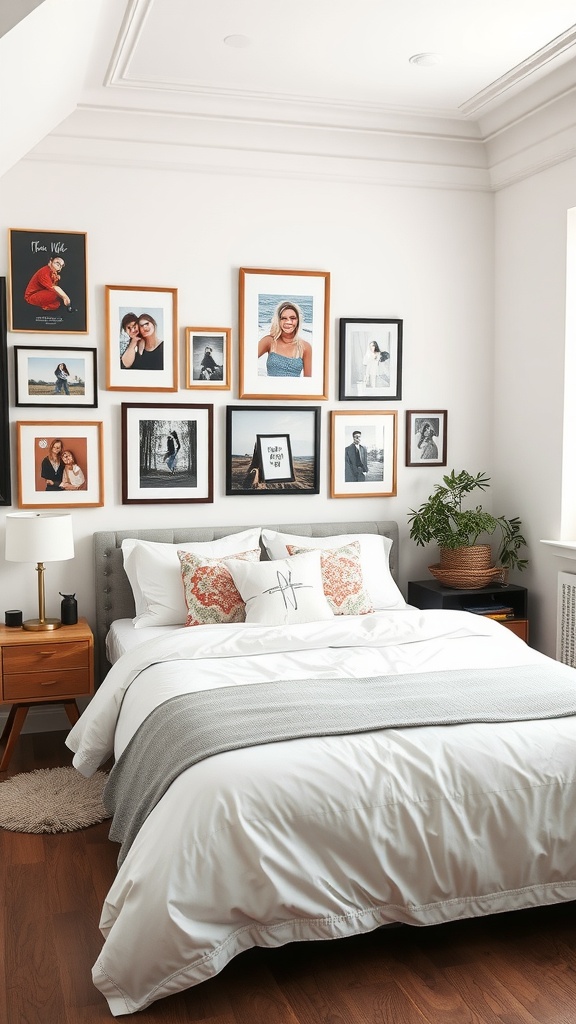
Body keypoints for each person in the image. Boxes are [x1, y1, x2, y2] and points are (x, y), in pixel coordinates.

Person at [258, 301, 312, 377]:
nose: (288, 322)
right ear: (278, 321)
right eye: (283, 318)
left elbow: (309, 382)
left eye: (292, 318)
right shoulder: (269, 341)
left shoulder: (305, 347)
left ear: (298, 321)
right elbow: (246, 361)